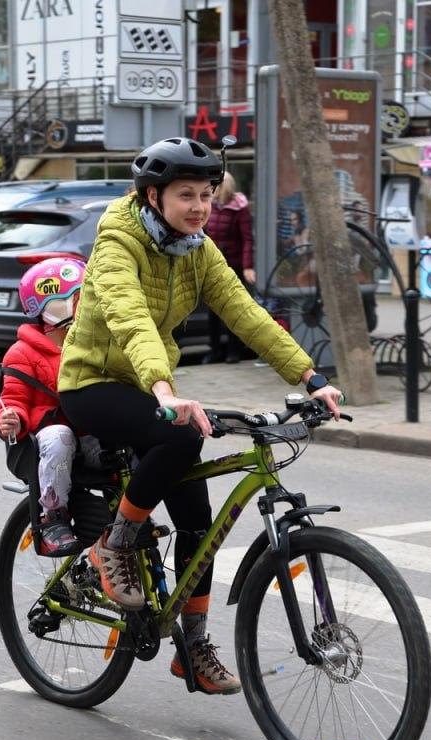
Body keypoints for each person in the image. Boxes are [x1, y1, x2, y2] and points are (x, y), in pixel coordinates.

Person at [56, 137, 343, 695]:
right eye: (186, 195)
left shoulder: (197, 249)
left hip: (152, 386)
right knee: (183, 438)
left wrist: (310, 376)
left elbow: (244, 313)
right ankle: (113, 544)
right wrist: (163, 387)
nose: (199, 207)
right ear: (152, 196)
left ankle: (192, 649)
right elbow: (129, 317)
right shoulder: (120, 242)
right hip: (94, 383)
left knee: (198, 521)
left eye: (207, 195)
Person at [0, 258, 100, 556]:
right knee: (58, 436)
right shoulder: (23, 352)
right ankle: (54, 516)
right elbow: (13, 398)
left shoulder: (92, 341)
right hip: (46, 440)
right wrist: (11, 418)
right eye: (72, 300)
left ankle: (130, 513)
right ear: (47, 308)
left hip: (90, 431)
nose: (80, 307)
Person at [202, 171, 254, 364]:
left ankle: (234, 351)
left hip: (234, 266)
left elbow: (248, 238)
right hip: (213, 265)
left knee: (233, 310)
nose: (213, 190)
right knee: (213, 313)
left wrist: (248, 266)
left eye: (217, 186)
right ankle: (214, 350)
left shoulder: (240, 208)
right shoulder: (210, 206)